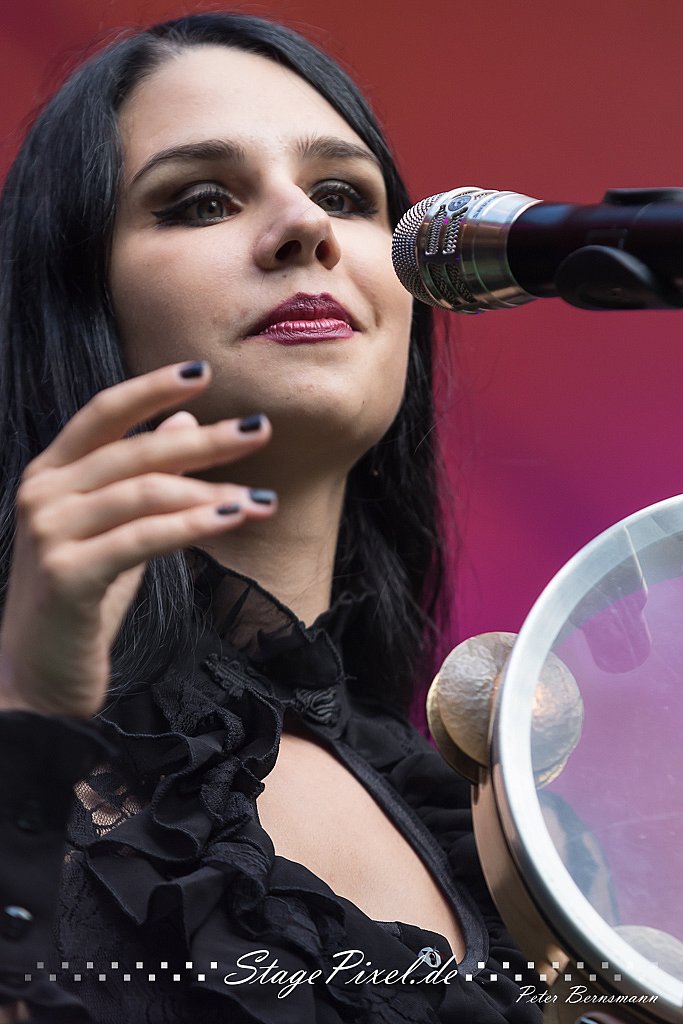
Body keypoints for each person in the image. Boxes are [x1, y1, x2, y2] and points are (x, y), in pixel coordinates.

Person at [0, 12, 542, 1023]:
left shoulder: (486, 821)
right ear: (77, 305)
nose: (306, 227)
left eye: (343, 194)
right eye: (202, 200)